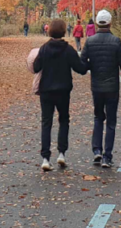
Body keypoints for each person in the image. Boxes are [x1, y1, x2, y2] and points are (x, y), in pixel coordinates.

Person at [32, 19, 88, 171]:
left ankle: (45, 158)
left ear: (49, 31)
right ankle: (62, 154)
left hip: (46, 91)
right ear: (64, 31)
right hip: (63, 91)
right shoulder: (68, 50)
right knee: (64, 120)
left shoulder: (44, 49)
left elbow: (36, 67)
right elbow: (81, 69)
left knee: (46, 122)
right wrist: (88, 61)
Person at [80, 9, 121, 169]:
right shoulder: (116, 41)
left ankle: (97, 150)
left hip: (96, 86)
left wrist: (91, 65)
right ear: (109, 23)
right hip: (112, 87)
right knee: (111, 121)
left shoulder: (90, 41)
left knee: (98, 117)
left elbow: (82, 65)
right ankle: (107, 157)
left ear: (96, 23)